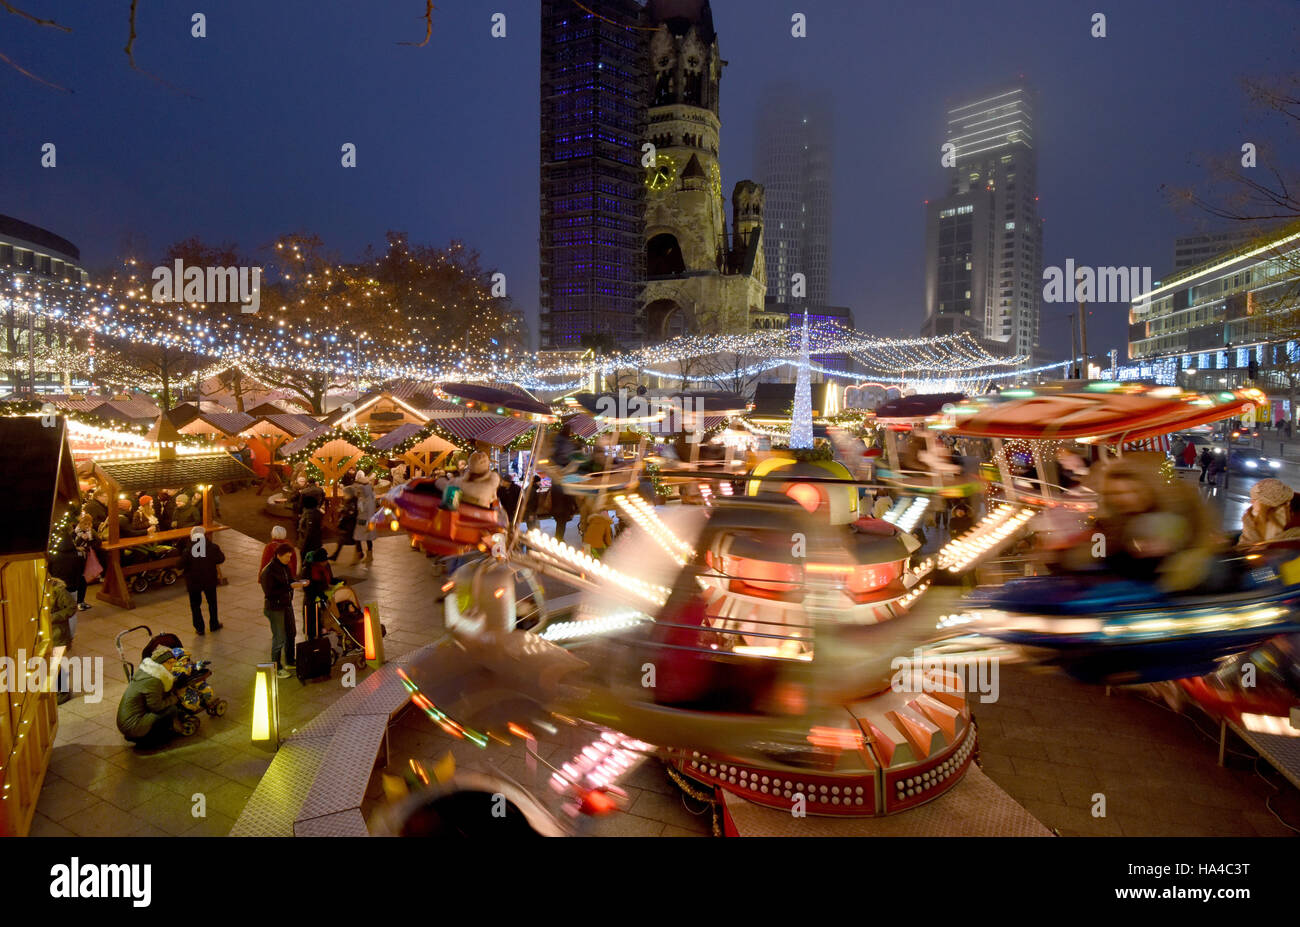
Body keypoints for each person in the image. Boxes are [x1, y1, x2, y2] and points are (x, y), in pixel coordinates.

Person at [1066, 455, 1218, 593]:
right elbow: (1096, 554)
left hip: (1177, 579)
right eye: (1114, 494)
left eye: (1131, 491)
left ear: (1146, 489)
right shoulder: (1108, 519)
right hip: (1128, 584)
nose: (1123, 499)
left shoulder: (1170, 510)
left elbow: (1196, 538)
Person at [115, 646, 184, 748]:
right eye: (170, 662)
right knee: (171, 710)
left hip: (127, 723)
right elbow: (156, 707)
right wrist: (175, 698)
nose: (173, 665)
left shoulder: (146, 672)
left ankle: (142, 735)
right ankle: (153, 738)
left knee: (168, 707)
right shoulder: (155, 680)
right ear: (162, 664)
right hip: (134, 726)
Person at [259, 543, 299, 678]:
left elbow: (290, 580)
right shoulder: (268, 571)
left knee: (291, 632)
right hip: (275, 608)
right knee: (279, 638)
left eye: (290, 556)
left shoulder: (285, 567)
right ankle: (276, 667)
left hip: (287, 605)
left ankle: (290, 660)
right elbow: (270, 592)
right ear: (278, 555)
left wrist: (297, 582)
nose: (289, 559)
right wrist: (290, 586)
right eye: (287, 557)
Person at [180, 532, 225, 634]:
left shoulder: (188, 550)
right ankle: (214, 624)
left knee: (195, 605)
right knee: (212, 603)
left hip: (193, 582)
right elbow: (221, 558)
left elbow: (179, 565)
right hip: (209, 580)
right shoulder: (212, 547)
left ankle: (199, 628)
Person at [46, 576, 78, 704]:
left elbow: (71, 608)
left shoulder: (57, 590)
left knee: (58, 664)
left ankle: (62, 691)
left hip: (58, 634)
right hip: (45, 636)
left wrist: (52, 617)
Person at [1239, 478, 1295, 548]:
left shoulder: (1289, 524)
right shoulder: (1250, 519)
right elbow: (1243, 545)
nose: (1251, 502)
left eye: (1255, 499)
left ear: (1267, 504)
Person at [352, 470, 378, 560]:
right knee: (366, 537)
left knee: (361, 537)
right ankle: (365, 554)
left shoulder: (364, 500)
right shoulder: (370, 496)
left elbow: (362, 510)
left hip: (364, 520)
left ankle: (363, 554)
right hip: (367, 520)